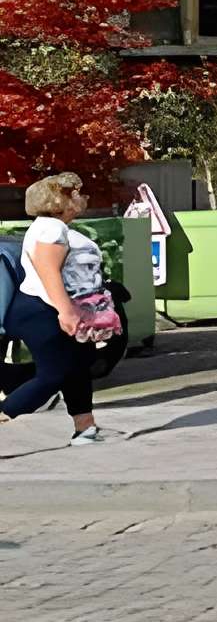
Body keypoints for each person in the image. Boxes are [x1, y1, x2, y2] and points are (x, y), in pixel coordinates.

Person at [2, 173, 114, 447]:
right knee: (54, 375)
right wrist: (66, 311)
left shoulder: (52, 227)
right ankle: (6, 412)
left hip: (45, 308)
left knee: (77, 366)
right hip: (42, 310)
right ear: (59, 200)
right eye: (75, 193)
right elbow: (47, 270)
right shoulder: (51, 229)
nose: (82, 197)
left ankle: (85, 428)